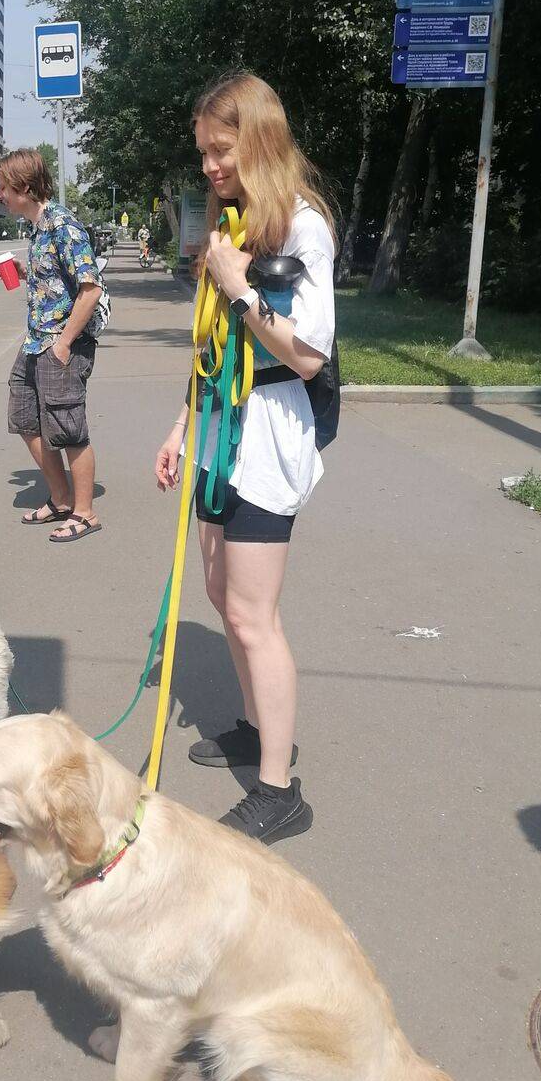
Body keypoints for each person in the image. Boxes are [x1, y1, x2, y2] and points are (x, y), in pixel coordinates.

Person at [155, 71, 336, 844]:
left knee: (252, 616)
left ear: (256, 140)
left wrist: (235, 288)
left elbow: (305, 354)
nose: (208, 166)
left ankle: (278, 789)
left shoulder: (302, 227)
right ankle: (256, 725)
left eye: (219, 150)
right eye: (202, 152)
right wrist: (178, 427)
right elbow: (211, 349)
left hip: (265, 437)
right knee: (222, 593)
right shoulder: (235, 222)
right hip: (219, 429)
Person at [0, 148, 104, 544]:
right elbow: (59, 280)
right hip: (35, 342)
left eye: (3, 186)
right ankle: (60, 499)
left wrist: (64, 344)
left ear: (24, 187)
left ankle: (84, 512)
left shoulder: (62, 224)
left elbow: (91, 289)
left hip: (60, 345)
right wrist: (30, 274)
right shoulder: (38, 226)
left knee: (68, 428)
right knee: (25, 417)